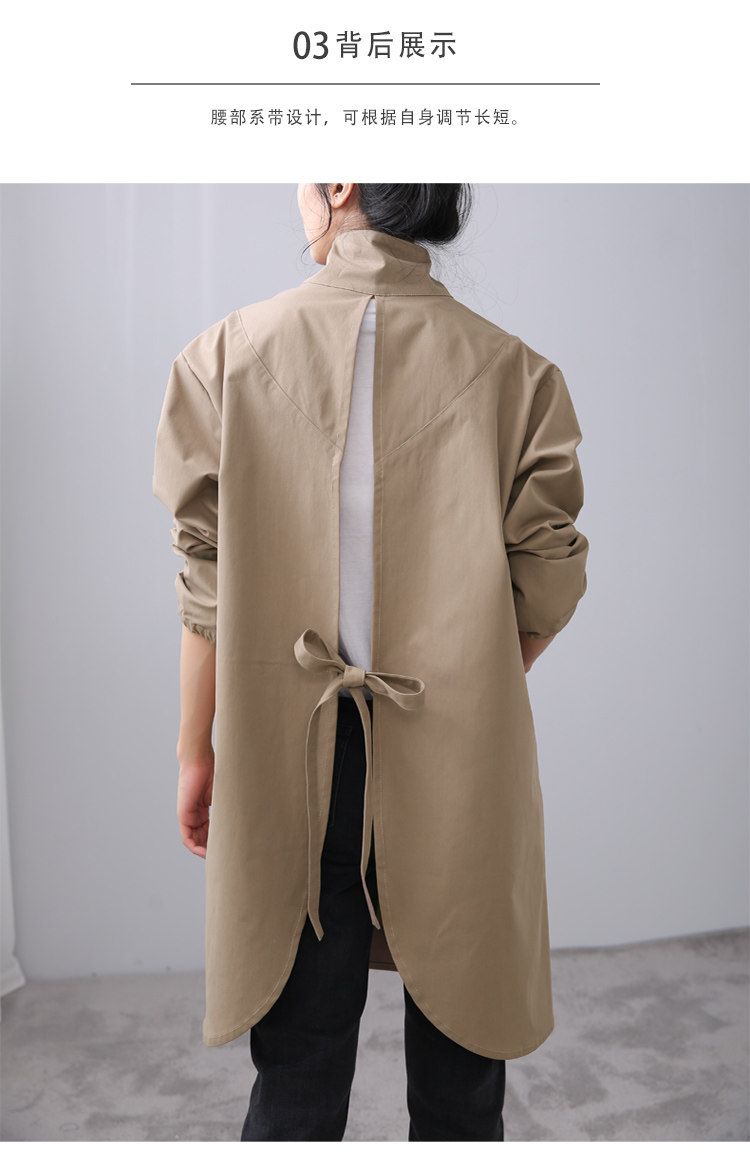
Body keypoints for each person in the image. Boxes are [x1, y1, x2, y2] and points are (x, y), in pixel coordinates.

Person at [153, 183, 589, 1141]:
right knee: (464, 1075)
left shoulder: (223, 357)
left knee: (298, 1070)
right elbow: (550, 574)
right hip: (460, 756)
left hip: (293, 758)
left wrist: (196, 751)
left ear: (342, 181)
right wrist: (474, 676)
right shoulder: (517, 373)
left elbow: (206, 586)